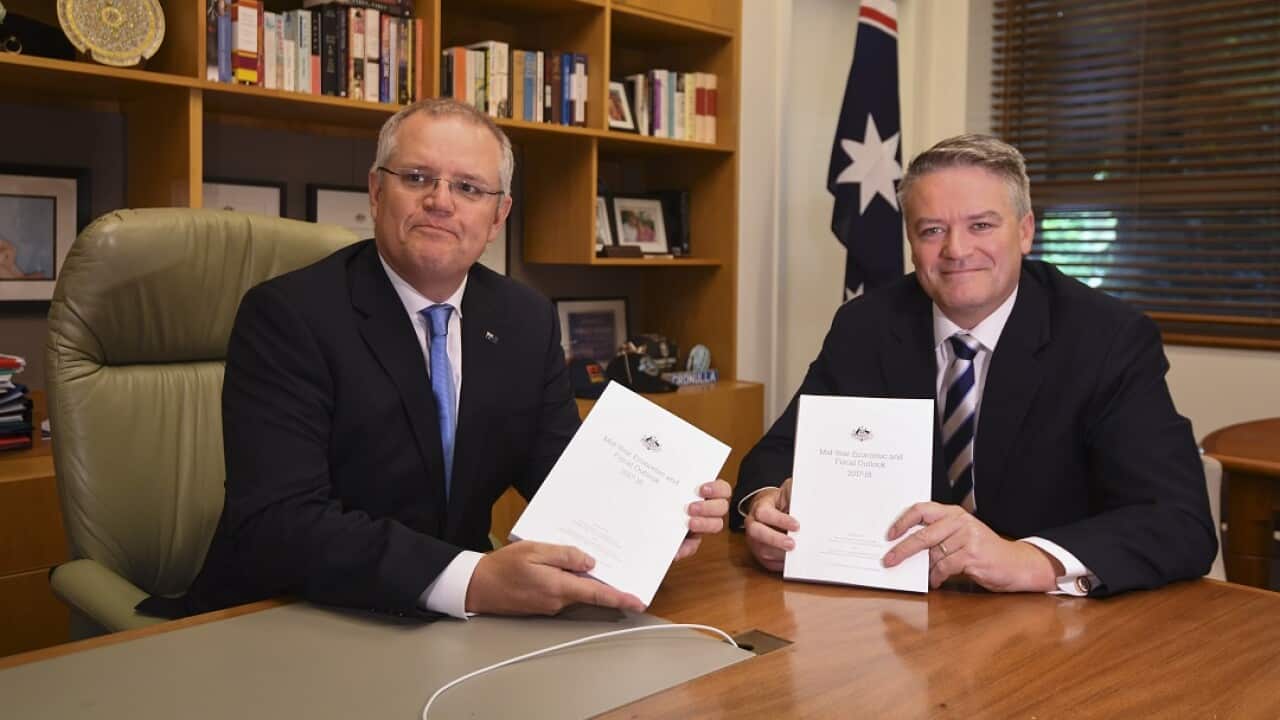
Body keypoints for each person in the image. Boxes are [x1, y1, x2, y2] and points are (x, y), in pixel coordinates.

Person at [142, 98, 730, 619]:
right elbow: (279, 525)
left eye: (469, 188)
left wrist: (652, 519)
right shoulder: (288, 316)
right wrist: (471, 580)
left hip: (450, 628)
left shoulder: (523, 318)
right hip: (284, 615)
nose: (441, 202)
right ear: (376, 192)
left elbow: (559, 478)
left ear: (498, 216)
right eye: (418, 177)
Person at [732, 134, 1216, 597]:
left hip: (1055, 628)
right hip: (897, 612)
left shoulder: (1108, 338)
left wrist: (1028, 560)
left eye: (981, 225)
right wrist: (766, 508)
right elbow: (777, 454)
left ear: (1025, 231)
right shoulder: (867, 325)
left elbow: (1179, 520)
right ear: (910, 240)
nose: (956, 251)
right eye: (932, 230)